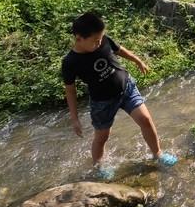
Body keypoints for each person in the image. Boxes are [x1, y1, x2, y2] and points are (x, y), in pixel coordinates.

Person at [62, 12, 177, 178]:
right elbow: (70, 90)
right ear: (79, 38)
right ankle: (99, 167)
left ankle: (158, 154)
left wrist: (137, 60)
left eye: (100, 38)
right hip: (102, 102)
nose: (99, 42)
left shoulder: (103, 40)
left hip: (126, 88)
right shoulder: (70, 62)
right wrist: (74, 118)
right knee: (102, 137)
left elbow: (119, 50)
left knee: (145, 120)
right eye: (95, 41)